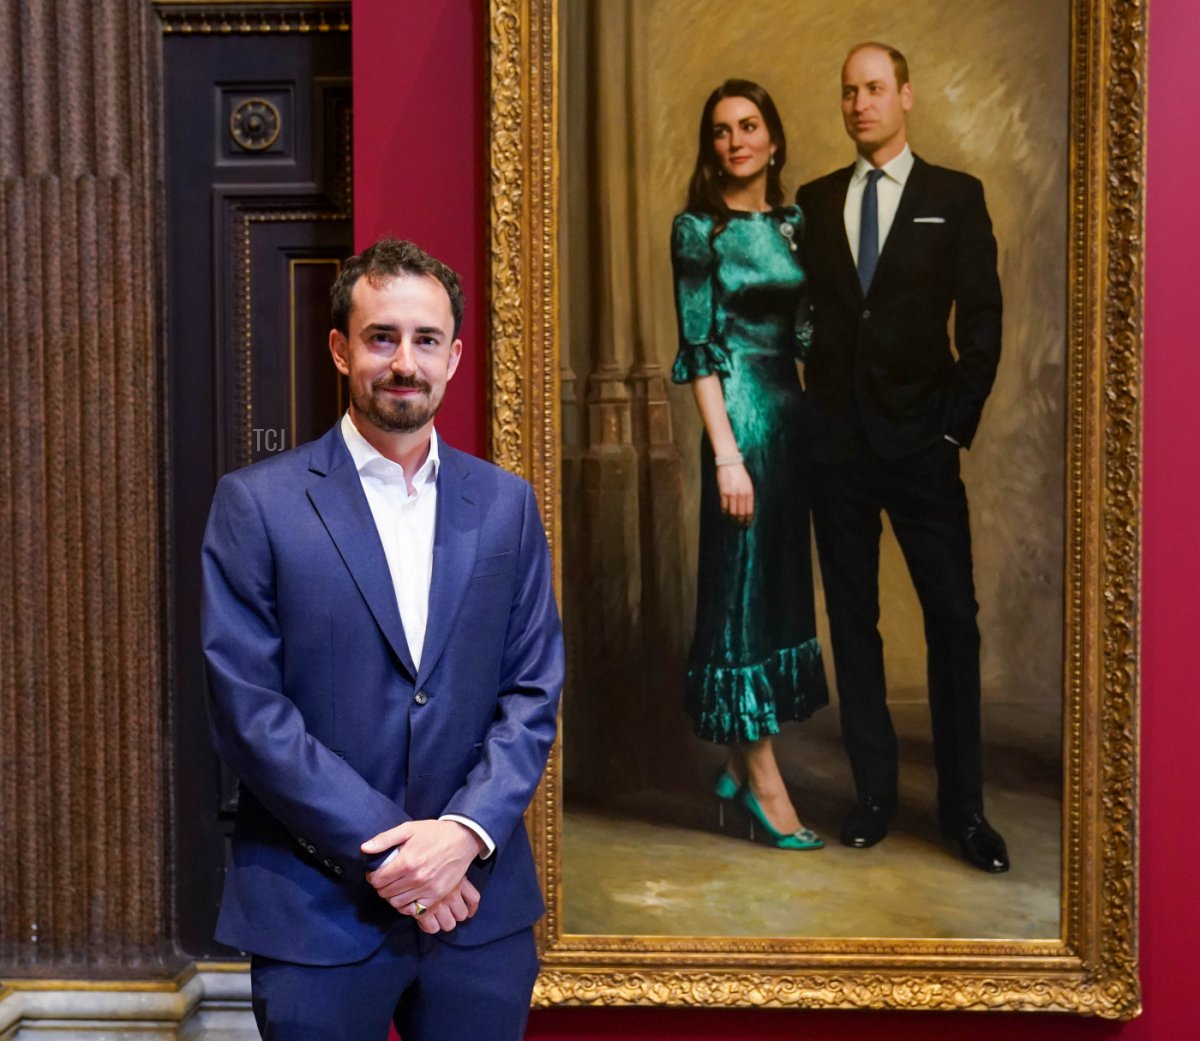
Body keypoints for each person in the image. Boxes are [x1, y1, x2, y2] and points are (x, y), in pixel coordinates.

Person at [200, 238, 564, 1040]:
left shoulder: (506, 505)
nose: (405, 362)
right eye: (381, 337)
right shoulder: (256, 505)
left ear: (454, 357)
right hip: (315, 910)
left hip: (478, 912)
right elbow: (249, 714)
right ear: (341, 349)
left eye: (426, 340)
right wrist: (402, 860)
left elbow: (533, 690)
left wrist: (461, 834)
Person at [795, 43, 1008, 872]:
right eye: (849, 91)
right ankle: (874, 795)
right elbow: (803, 317)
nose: (860, 103)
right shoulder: (816, 202)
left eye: (875, 88)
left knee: (953, 620)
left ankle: (965, 810)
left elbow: (982, 319)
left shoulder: (955, 196)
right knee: (854, 624)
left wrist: (955, 426)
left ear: (906, 96)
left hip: (922, 444)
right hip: (838, 450)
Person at [670, 79, 829, 851]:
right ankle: (767, 786)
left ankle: (737, 765)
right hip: (739, 418)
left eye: (748, 125)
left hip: (790, 418)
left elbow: (808, 333)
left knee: (771, 591)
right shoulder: (698, 230)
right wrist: (727, 455)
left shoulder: (794, 225)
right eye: (721, 130)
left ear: (773, 139)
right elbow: (699, 350)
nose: (735, 140)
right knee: (737, 595)